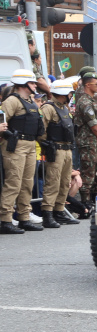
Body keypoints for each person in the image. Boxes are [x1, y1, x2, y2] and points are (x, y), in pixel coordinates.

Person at [0, 69, 45, 234]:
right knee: (14, 182)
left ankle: (24, 217)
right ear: (24, 84)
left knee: (27, 183)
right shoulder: (12, 101)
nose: (35, 85)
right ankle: (5, 219)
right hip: (16, 145)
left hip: (30, 144)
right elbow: (2, 118)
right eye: (33, 83)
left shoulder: (30, 101)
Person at [37, 79, 80, 227]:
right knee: (53, 182)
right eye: (69, 93)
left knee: (64, 182)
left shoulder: (64, 108)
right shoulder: (49, 108)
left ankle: (59, 210)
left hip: (67, 149)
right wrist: (46, 146)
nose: (71, 96)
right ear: (63, 93)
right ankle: (48, 213)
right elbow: (41, 130)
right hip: (56, 150)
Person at [73, 71, 97, 208]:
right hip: (88, 141)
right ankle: (86, 201)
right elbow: (93, 124)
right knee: (89, 172)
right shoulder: (85, 101)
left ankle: (95, 198)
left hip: (94, 140)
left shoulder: (93, 99)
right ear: (88, 85)